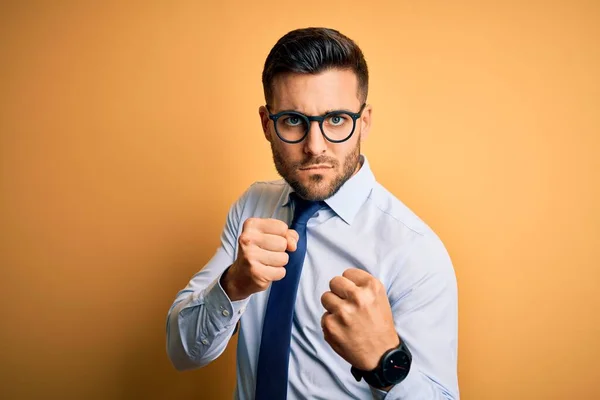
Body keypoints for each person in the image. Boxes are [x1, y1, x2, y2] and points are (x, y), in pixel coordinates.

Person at [166, 27, 459, 400]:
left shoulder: (414, 251)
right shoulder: (253, 206)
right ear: (266, 124)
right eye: (292, 120)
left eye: (336, 119)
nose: (314, 146)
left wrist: (384, 362)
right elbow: (182, 354)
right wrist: (234, 284)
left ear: (364, 122)